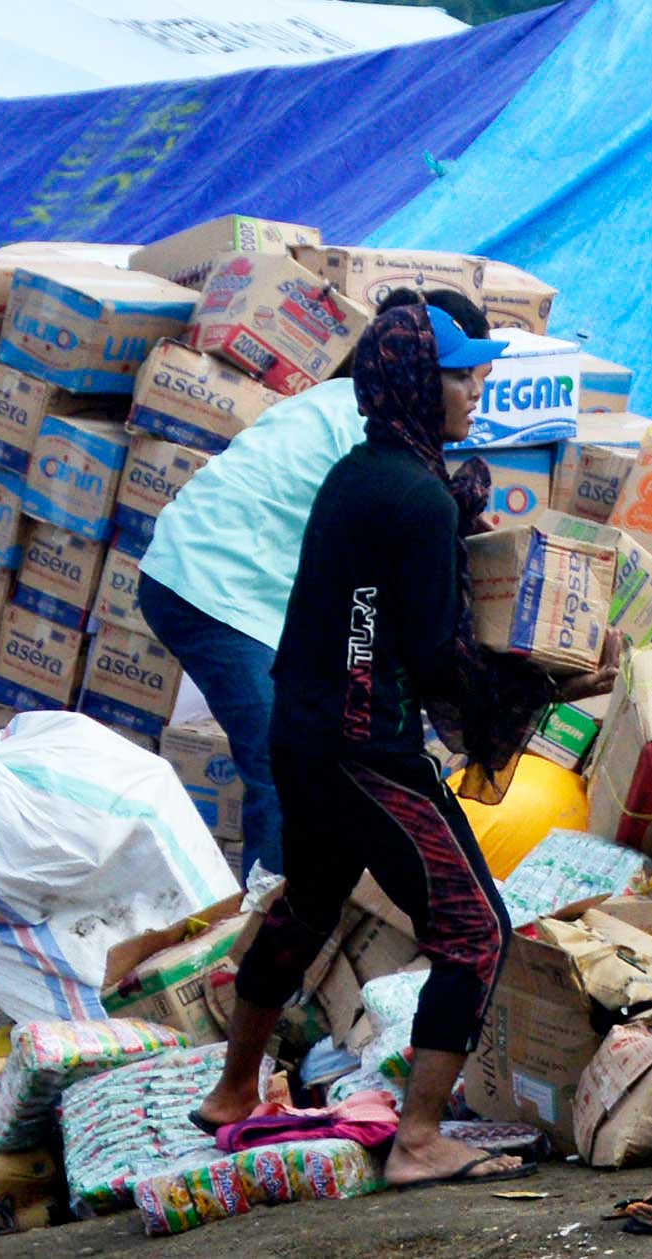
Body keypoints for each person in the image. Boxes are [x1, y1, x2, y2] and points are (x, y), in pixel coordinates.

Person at [195, 298, 526, 1186]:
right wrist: (528, 679)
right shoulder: (415, 497)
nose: (475, 391)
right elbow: (420, 649)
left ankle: (233, 1090)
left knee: (306, 903)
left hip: (305, 735)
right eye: (461, 376)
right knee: (475, 930)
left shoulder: (362, 473)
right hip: (363, 750)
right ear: (422, 385)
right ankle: (419, 1141)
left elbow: (363, 613)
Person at [138, 283, 497, 885]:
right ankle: (257, 934)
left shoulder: (352, 403)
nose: (478, 395)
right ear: (422, 372)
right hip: (218, 587)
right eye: (465, 376)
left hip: (217, 574)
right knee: (285, 770)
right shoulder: (372, 438)